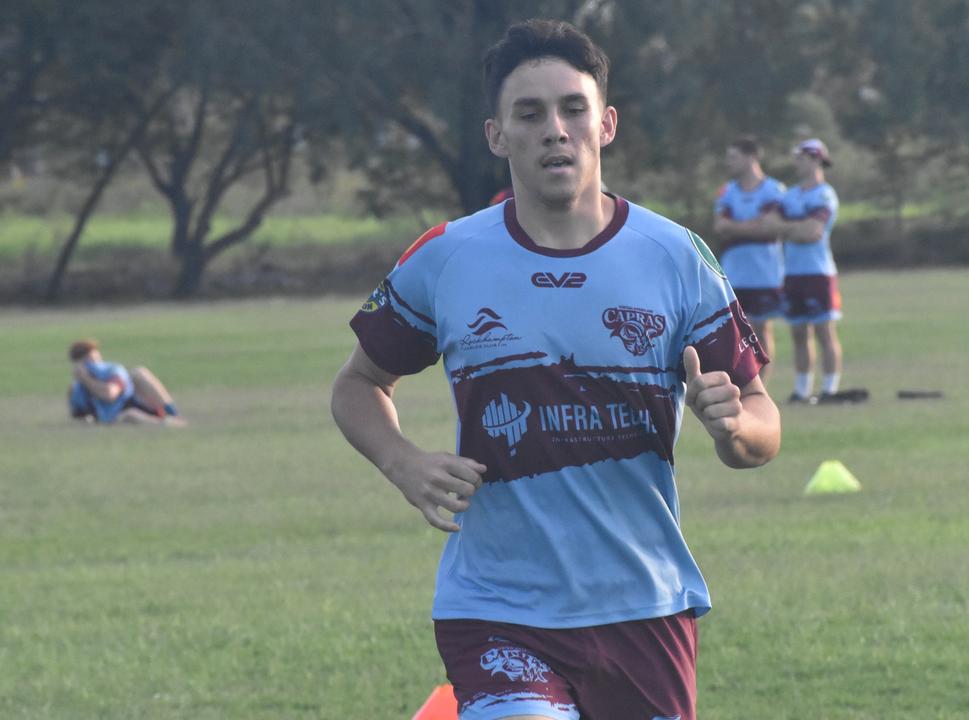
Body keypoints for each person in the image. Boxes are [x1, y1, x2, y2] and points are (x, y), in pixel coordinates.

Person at [330, 19, 780, 720]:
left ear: (606, 124)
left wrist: (735, 430)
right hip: (497, 605)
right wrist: (403, 463)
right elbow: (357, 385)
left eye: (573, 108)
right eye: (530, 113)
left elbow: (760, 416)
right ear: (497, 136)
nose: (555, 129)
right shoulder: (448, 257)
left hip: (644, 604)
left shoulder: (675, 256)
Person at [764, 139, 866, 405]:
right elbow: (771, 224)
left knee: (824, 332)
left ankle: (830, 390)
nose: (797, 163)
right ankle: (802, 391)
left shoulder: (824, 194)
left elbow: (812, 233)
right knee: (798, 334)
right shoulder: (790, 195)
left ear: (815, 159)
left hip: (819, 273)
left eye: (801, 158)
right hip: (791, 274)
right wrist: (795, 228)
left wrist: (788, 228)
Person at [712, 136, 788, 383]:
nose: (728, 162)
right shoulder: (727, 191)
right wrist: (754, 225)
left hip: (764, 272)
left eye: (733, 157)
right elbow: (720, 226)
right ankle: (742, 383)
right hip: (733, 273)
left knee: (762, 329)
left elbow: (771, 228)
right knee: (734, 334)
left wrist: (736, 227)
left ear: (751, 157)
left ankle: (761, 387)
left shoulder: (774, 189)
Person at [66, 339, 185, 426]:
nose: (95, 365)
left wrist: (87, 379)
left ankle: (172, 415)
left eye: (96, 360)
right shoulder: (77, 389)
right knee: (130, 416)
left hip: (135, 403)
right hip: (119, 417)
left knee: (139, 373)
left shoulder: (113, 371)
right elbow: (81, 418)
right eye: (89, 362)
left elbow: (110, 394)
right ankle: (164, 424)